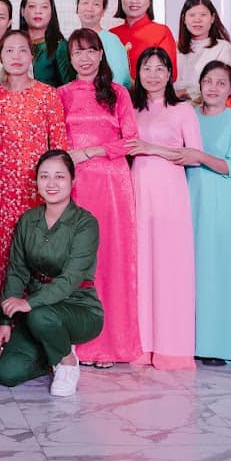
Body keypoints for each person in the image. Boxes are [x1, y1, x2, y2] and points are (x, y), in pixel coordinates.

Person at [57, 28, 141, 367]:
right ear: (70, 58)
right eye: (78, 52)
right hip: (75, 186)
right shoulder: (61, 94)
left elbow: (131, 141)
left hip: (112, 185)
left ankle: (110, 343)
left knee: (111, 260)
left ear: (102, 54)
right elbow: (56, 142)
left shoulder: (118, 93)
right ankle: (74, 342)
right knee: (75, 260)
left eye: (91, 51)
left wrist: (90, 152)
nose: (85, 58)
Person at [0, 150, 103, 398]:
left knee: (40, 315)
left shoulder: (85, 223)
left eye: (59, 176)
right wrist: (5, 321)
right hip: (36, 313)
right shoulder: (28, 220)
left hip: (78, 307)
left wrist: (28, 303)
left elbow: (70, 279)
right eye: (44, 176)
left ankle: (66, 361)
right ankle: (52, 349)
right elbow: (16, 272)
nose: (51, 183)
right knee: (6, 373)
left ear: (73, 181)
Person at [0, 30, 70, 311]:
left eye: (22, 50)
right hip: (0, 191)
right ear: (1, 56)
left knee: (37, 251)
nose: (16, 57)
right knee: (3, 253)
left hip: (38, 190)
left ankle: (36, 319)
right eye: (9, 51)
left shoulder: (47, 95)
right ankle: (0, 321)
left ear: (32, 55)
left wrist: (59, 195)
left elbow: (59, 148)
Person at [127, 46, 200, 370]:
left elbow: (194, 155)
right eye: (146, 68)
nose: (153, 75)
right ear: (137, 73)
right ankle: (142, 345)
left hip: (170, 192)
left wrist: (151, 148)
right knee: (141, 265)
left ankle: (172, 348)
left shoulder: (182, 110)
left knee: (170, 268)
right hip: (138, 189)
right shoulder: (132, 109)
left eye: (160, 68)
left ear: (170, 73)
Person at [184, 61, 231, 365]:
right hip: (189, 195)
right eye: (208, 81)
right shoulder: (189, 116)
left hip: (221, 202)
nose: (213, 88)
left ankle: (220, 344)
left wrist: (199, 156)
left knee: (219, 269)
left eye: (221, 83)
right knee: (192, 269)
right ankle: (190, 340)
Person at [54, 0, 131, 89]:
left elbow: (118, 80)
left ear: (103, 11)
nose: (89, 8)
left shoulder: (112, 41)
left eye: (96, 4)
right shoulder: (68, 42)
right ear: (77, 8)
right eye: (85, 3)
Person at [110, 0, 177, 85]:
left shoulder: (161, 31)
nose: (134, 0)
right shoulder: (112, 34)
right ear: (120, 0)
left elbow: (170, 74)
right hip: (114, 94)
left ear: (149, 1)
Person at [174, 0, 231, 99]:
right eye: (192, 15)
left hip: (208, 107)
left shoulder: (223, 47)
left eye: (203, 15)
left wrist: (183, 93)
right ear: (184, 19)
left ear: (212, 18)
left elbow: (221, 84)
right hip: (173, 106)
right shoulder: (175, 48)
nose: (197, 19)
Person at [19, 0, 66, 87]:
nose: (38, 11)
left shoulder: (60, 46)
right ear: (22, 11)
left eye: (44, 7)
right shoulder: (13, 43)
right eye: (32, 6)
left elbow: (69, 87)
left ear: (52, 12)